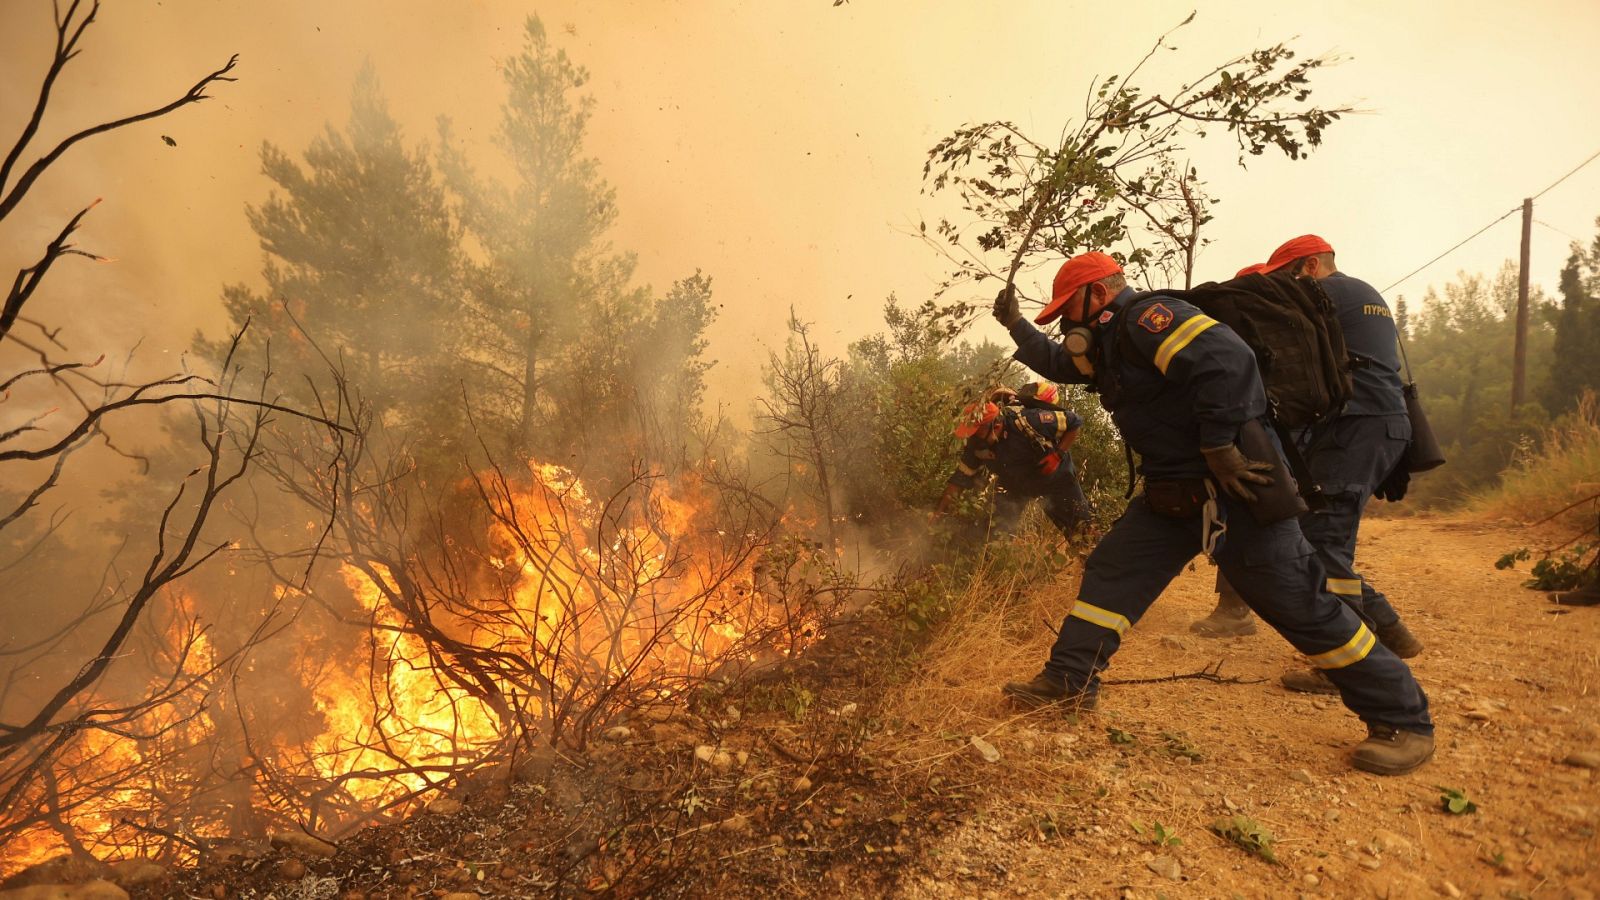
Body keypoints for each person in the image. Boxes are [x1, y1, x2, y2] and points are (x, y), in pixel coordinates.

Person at [993, 251, 1435, 775]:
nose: (1068, 324)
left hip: (1235, 490)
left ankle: (1404, 719)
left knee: (1300, 603)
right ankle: (1069, 680)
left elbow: (1230, 361)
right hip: (1172, 493)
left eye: (1071, 309)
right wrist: (1017, 325)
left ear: (1100, 294)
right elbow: (1062, 363)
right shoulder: (1111, 344)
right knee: (1113, 572)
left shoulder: (1149, 318)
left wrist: (1221, 443)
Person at [1189, 236, 1426, 697]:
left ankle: (1348, 666)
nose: (1285, 289)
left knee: (1323, 543)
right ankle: (1389, 630)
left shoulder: (1326, 292)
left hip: (1357, 428)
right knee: (1323, 539)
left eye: (1288, 278)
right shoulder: (1363, 294)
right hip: (1375, 425)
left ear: (1311, 266)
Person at [934, 383, 1091, 539]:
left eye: (978, 432)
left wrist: (1058, 454)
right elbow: (958, 481)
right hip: (1016, 486)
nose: (973, 437)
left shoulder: (1031, 421)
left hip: (1056, 481)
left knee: (1082, 534)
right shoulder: (977, 446)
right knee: (993, 534)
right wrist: (938, 513)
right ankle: (990, 559)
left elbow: (1074, 421)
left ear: (995, 426)